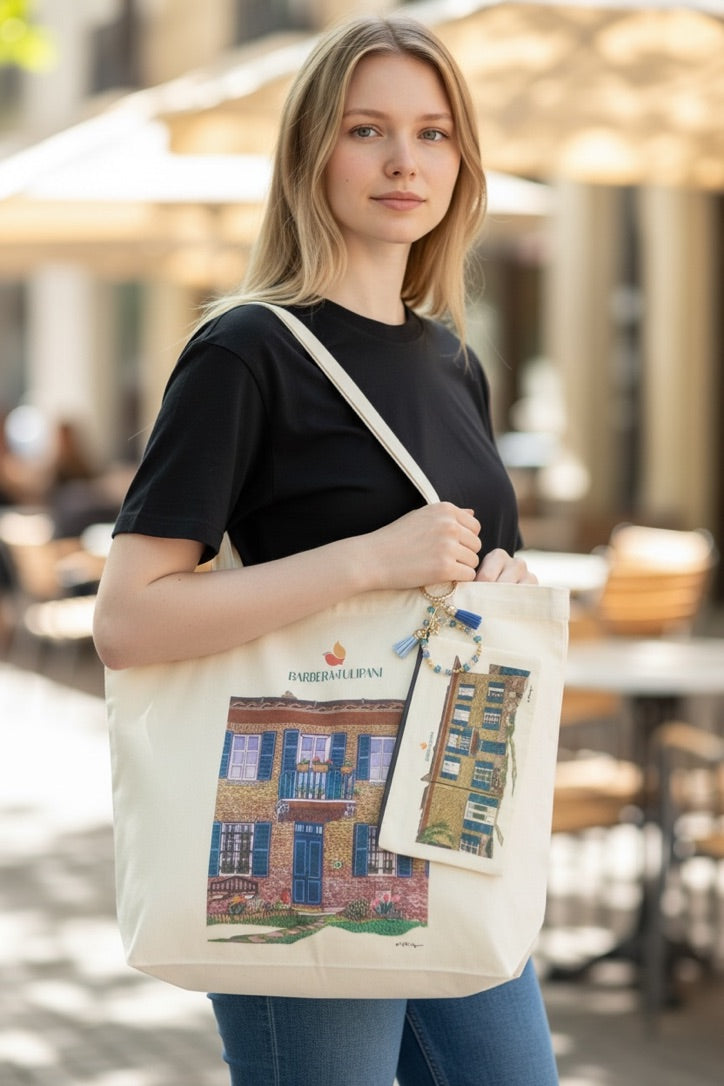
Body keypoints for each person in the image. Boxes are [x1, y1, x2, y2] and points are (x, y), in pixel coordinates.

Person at [93, 14, 558, 1086]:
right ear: (311, 153)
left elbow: (464, 579)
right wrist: (371, 559)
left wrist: (499, 585)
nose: (405, 161)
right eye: (368, 130)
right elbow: (128, 620)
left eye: (435, 134)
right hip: (307, 820)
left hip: (450, 816)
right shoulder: (245, 350)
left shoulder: (449, 360)